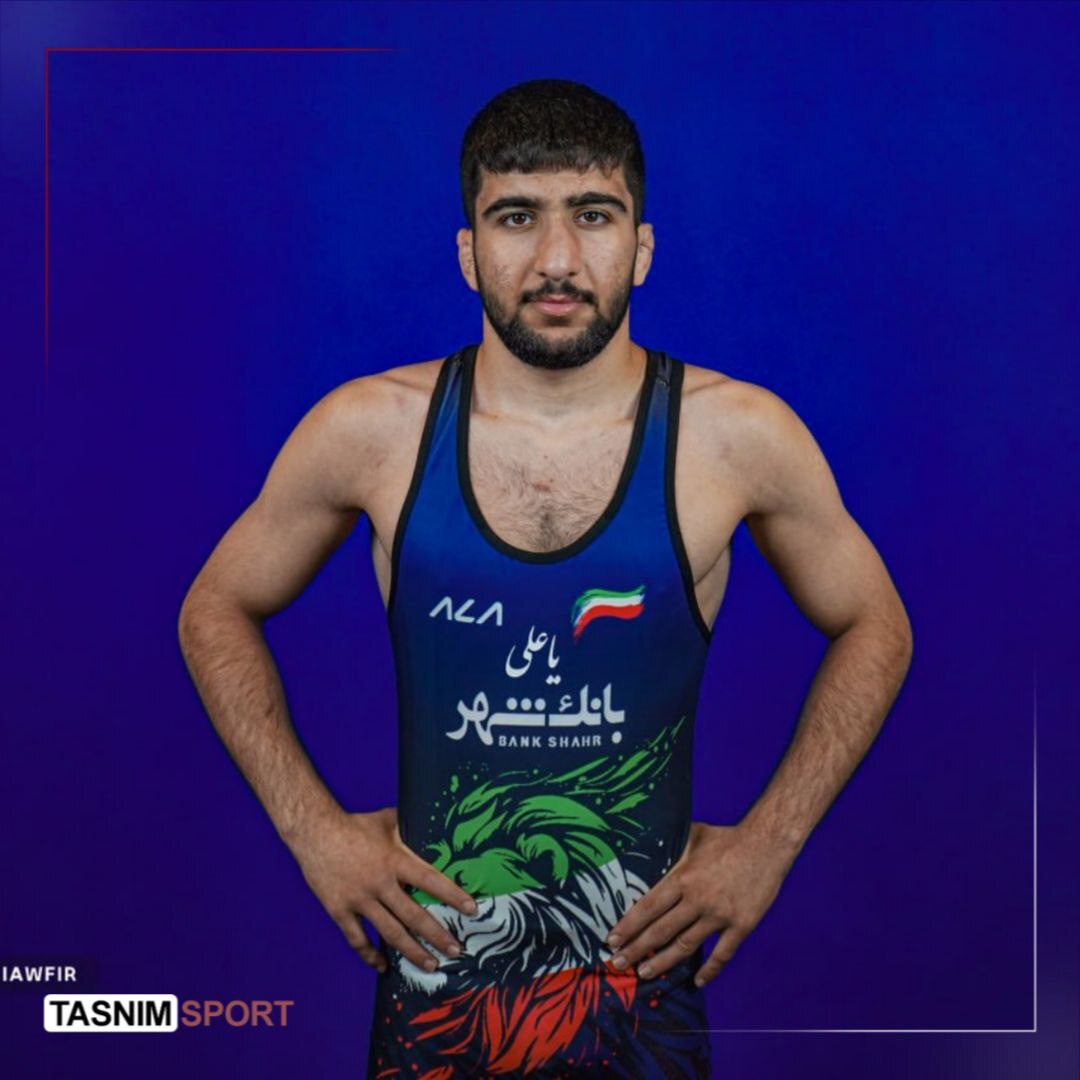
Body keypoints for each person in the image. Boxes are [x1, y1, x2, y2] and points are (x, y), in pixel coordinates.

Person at [178, 79, 912, 1077]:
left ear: (641, 248)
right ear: (468, 251)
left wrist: (769, 844)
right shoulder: (371, 430)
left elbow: (876, 623)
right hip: (436, 1020)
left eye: (593, 216)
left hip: (640, 1015)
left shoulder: (737, 436)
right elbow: (216, 606)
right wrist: (313, 832)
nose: (557, 259)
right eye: (516, 217)